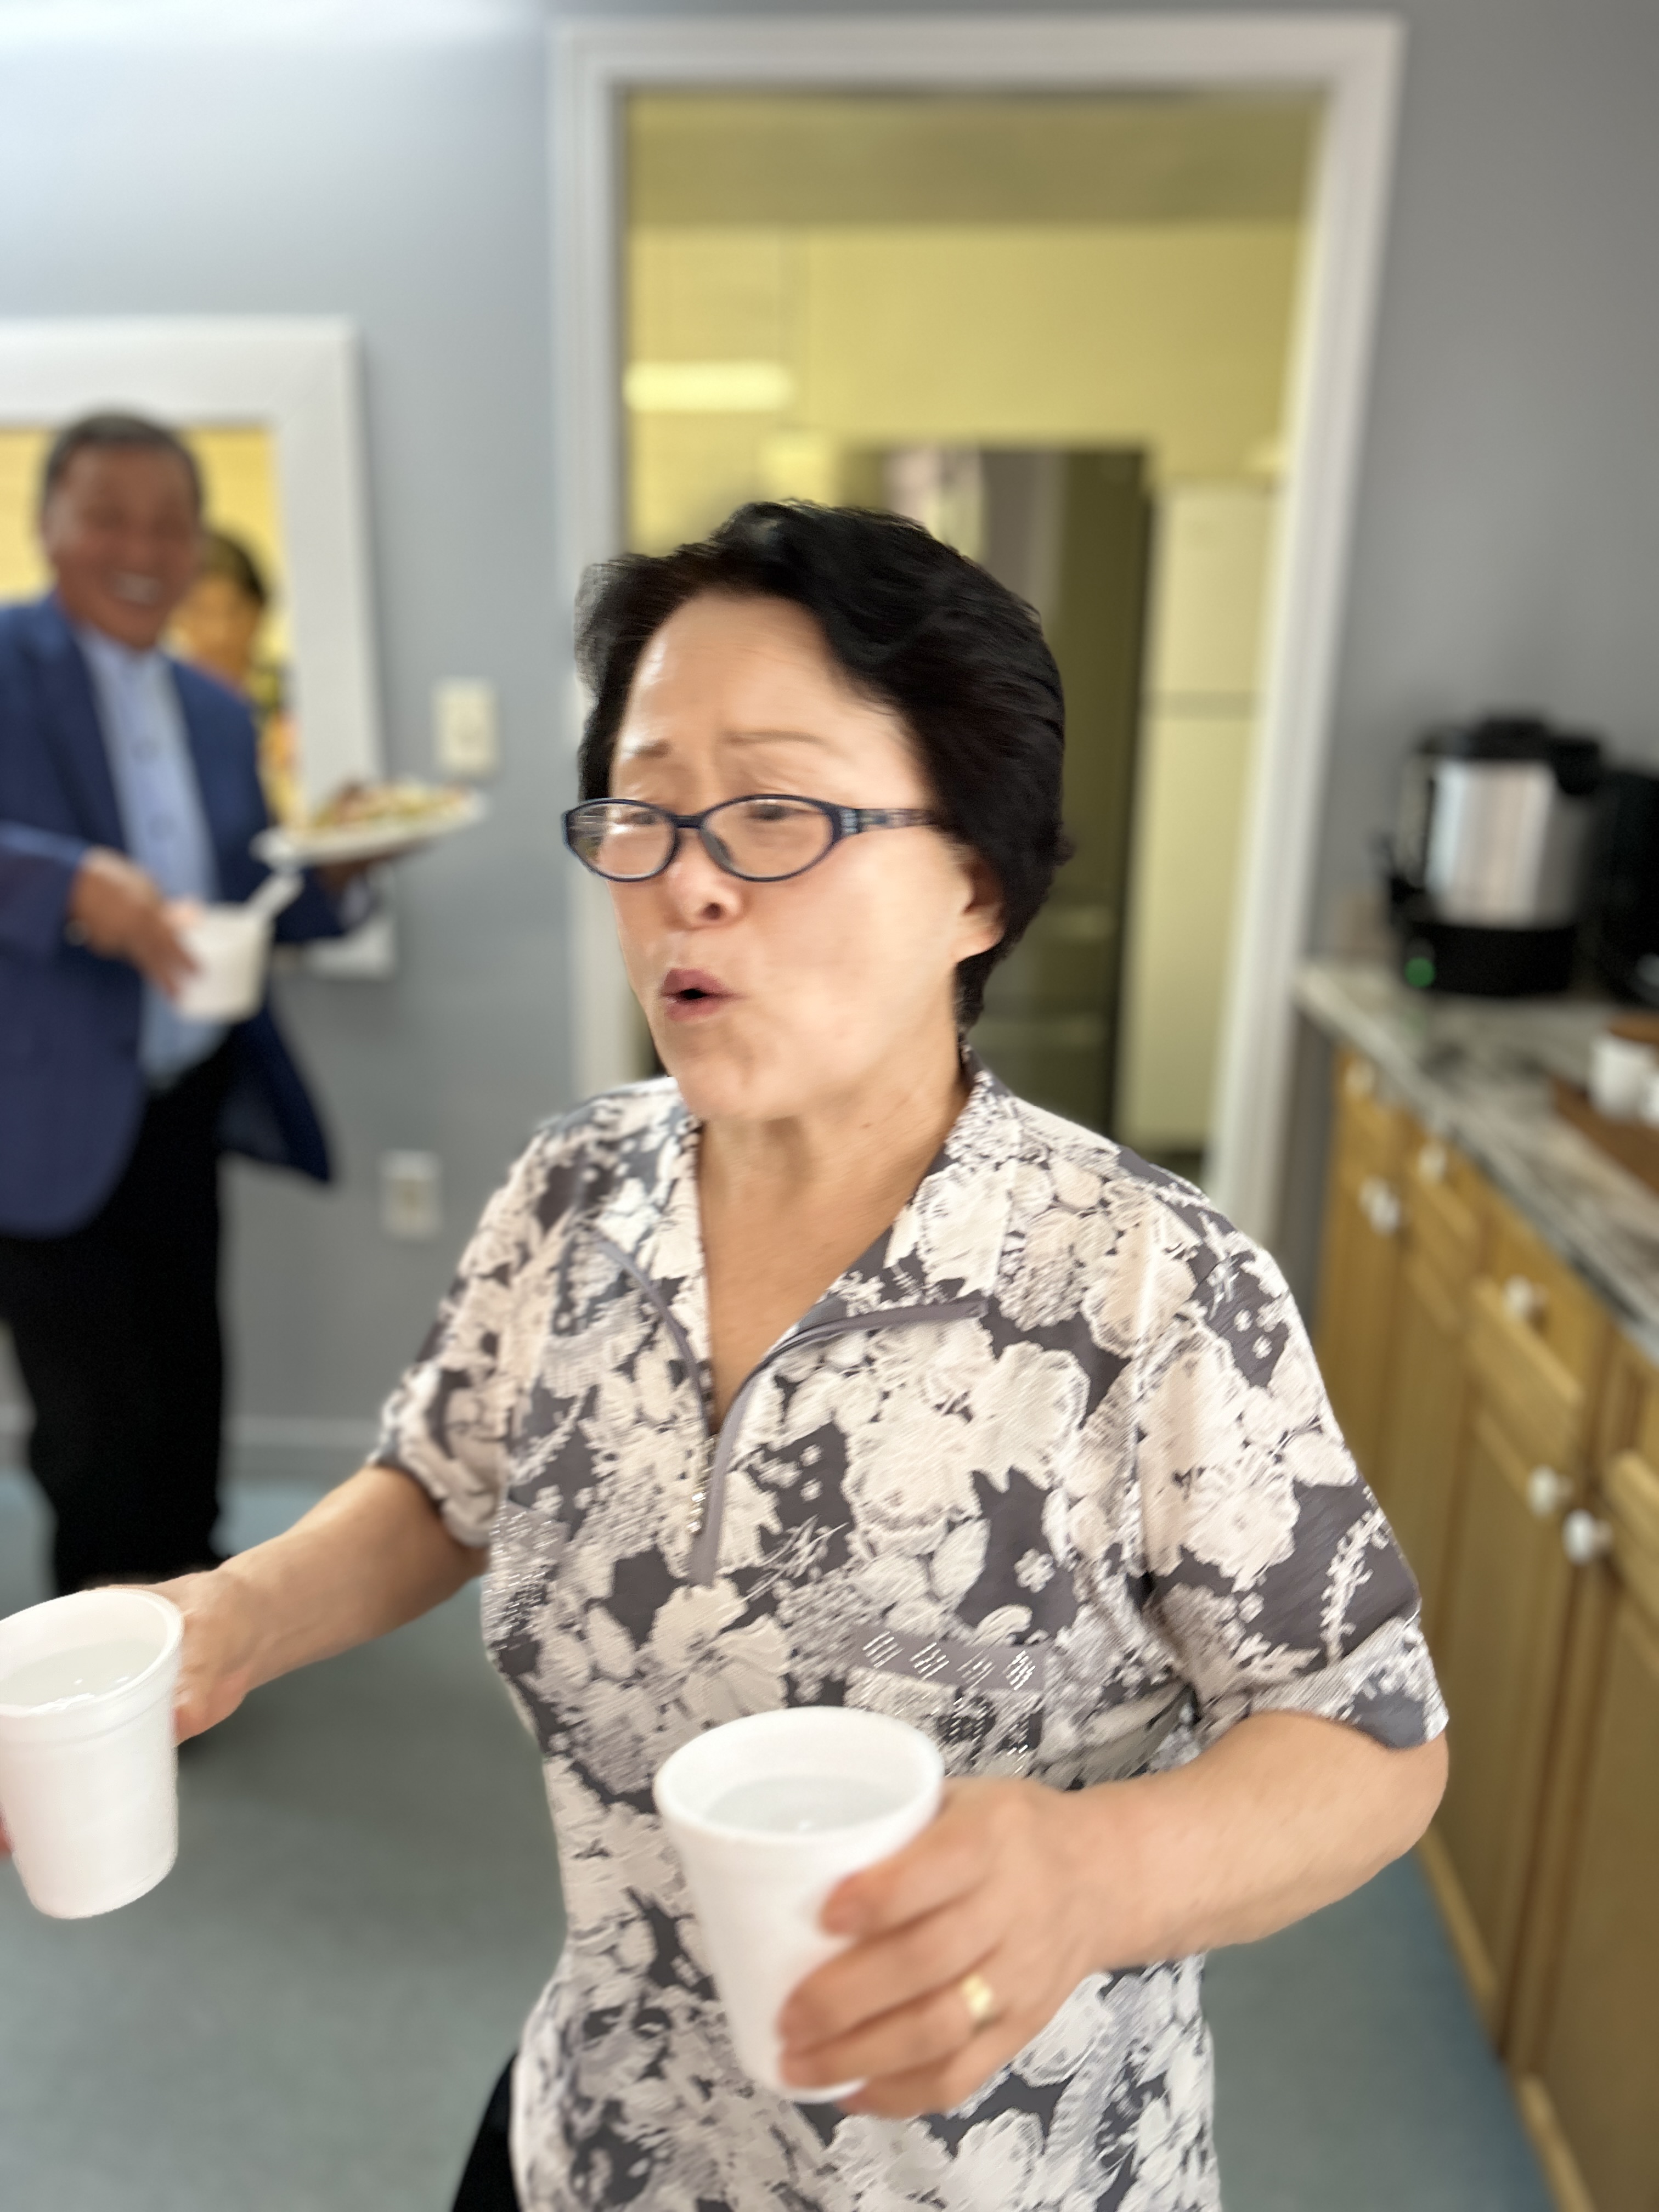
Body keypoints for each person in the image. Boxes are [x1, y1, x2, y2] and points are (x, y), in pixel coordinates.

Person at [146, 504, 1446, 2211]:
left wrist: (1096, 1873)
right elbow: (444, 1484)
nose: (686, 880)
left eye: (776, 812)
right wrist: (228, 1618)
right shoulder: (573, 1189)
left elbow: (1369, 1732)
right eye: (644, 808)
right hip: (600, 2141)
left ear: (974, 882)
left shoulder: (1148, 1285)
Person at [0, 412, 362, 1594]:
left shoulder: (214, 708)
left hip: (184, 1097)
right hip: (42, 1106)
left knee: (187, 1370)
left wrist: (337, 875)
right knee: (88, 1421)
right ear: (48, 525)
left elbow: (251, 890)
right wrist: (63, 883)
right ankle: (102, 1640)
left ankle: (191, 1598)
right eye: (108, 518)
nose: (142, 549)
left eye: (169, 523)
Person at [170, 526, 306, 829]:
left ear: (261, 611)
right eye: (200, 612)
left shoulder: (295, 698)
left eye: (234, 611)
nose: (219, 633)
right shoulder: (165, 715)